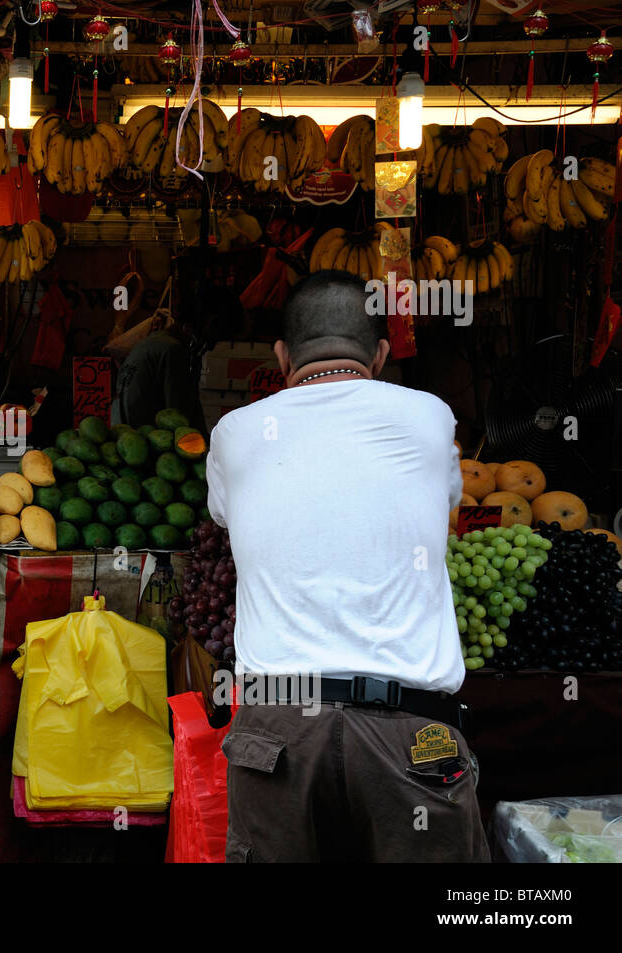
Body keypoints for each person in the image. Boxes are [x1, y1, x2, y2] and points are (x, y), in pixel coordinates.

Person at [206, 270, 487, 863]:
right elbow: (446, 506)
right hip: (411, 734)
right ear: (381, 354)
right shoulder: (430, 418)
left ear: (282, 356)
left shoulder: (233, 433)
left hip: (277, 735)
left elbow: (231, 519)